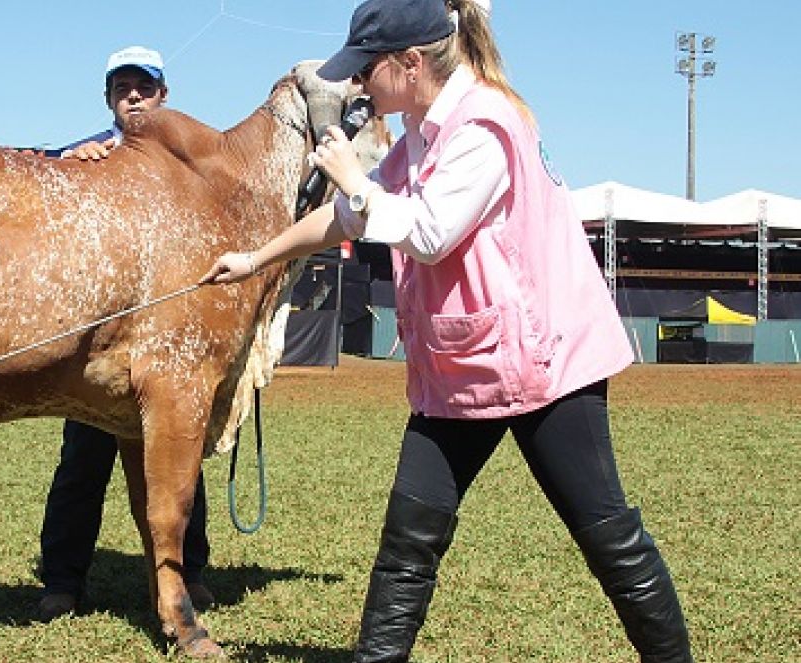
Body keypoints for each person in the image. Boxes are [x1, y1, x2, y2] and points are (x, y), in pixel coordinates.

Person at [201, 1, 693, 661]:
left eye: (366, 69)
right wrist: (259, 257)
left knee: (608, 537)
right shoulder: (421, 137)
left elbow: (430, 231)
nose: (358, 85)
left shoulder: (487, 125)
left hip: (547, 366)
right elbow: (349, 219)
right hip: (463, 370)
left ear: (409, 64)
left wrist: (354, 179)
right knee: (408, 541)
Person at [38, 45, 214, 621]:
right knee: (81, 466)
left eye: (144, 86)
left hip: (170, 342)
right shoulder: (84, 156)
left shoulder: (190, 162)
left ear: (164, 95)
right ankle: (62, 581)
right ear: (109, 98)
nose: (133, 95)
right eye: (122, 87)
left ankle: (192, 572)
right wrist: (70, 167)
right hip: (99, 348)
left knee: (182, 461)